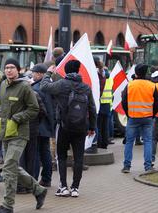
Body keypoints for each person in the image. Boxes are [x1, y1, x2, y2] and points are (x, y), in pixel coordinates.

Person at [0, 58, 47, 213]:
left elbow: (34, 109)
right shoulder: (3, 85)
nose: (9, 70)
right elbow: (1, 105)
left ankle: (7, 205)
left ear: (18, 70)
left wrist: (17, 118)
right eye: (6, 67)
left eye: (12, 67)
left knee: (9, 166)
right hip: (5, 132)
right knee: (11, 166)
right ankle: (38, 190)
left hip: (20, 133)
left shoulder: (25, 87)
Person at [40, 60, 96, 198]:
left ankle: (63, 187)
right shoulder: (86, 87)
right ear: (78, 70)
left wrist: (48, 73)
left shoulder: (62, 84)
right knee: (78, 158)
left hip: (64, 126)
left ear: (65, 70)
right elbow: (92, 108)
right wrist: (92, 126)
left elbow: (44, 86)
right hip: (81, 127)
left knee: (61, 156)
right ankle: (75, 188)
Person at [121, 64, 158, 173]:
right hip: (147, 117)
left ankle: (126, 166)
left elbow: (124, 101)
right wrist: (152, 115)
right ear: (146, 72)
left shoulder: (130, 85)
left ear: (136, 73)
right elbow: (157, 103)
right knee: (148, 141)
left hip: (133, 117)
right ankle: (148, 166)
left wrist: (128, 114)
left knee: (129, 141)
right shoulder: (152, 85)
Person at [31, 63, 54, 187]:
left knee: (35, 153)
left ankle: (33, 179)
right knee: (45, 151)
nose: (32, 74)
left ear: (40, 74)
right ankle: (46, 178)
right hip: (47, 124)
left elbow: (36, 109)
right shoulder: (49, 86)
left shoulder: (36, 88)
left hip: (38, 124)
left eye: (33, 72)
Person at [97, 69, 113, 149]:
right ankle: (105, 143)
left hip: (100, 103)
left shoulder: (98, 79)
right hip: (108, 104)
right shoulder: (110, 80)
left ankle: (98, 143)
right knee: (105, 126)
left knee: (98, 126)